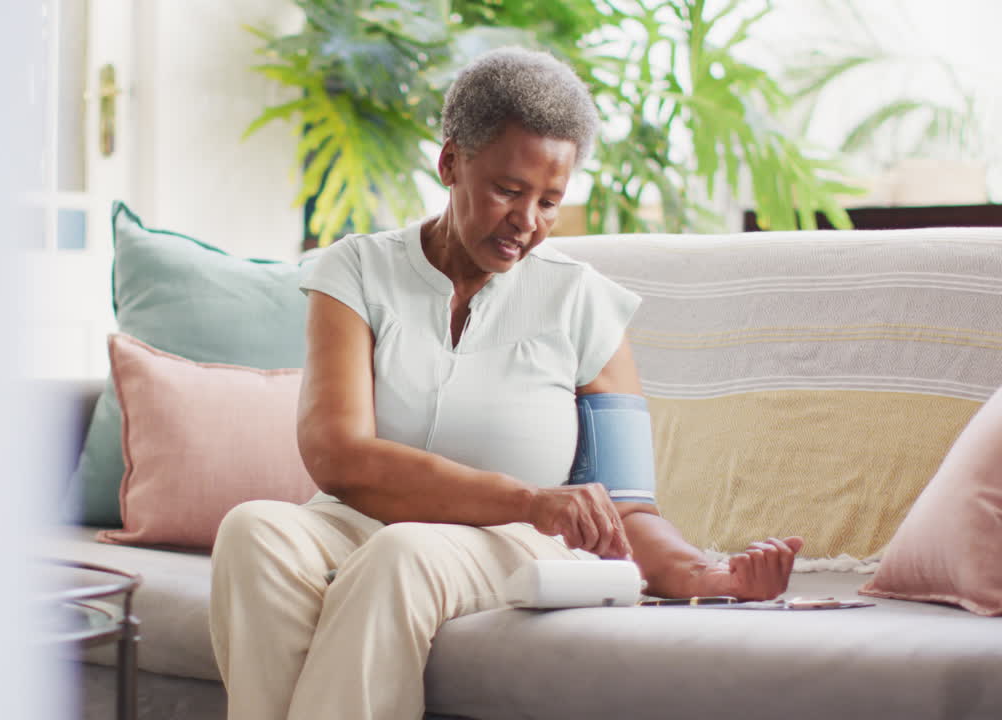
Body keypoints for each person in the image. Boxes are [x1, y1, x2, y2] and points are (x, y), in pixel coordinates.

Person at [209, 47, 804, 720]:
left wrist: (710, 576)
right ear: (450, 163)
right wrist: (531, 497)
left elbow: (627, 507)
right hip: (361, 521)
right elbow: (336, 455)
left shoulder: (583, 302)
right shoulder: (357, 271)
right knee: (254, 529)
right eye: (508, 190)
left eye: (550, 201)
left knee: (404, 553)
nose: (528, 222)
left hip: (516, 546)